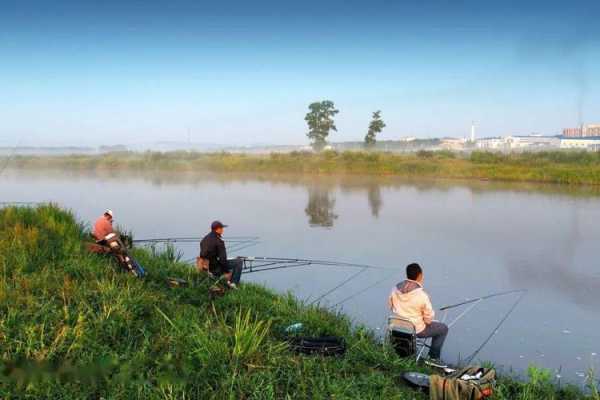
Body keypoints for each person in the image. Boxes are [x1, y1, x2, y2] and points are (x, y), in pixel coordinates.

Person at [388, 262, 448, 364]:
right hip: (415, 330)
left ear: (407, 274)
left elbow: (391, 306)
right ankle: (433, 359)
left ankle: (401, 351)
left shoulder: (394, 289)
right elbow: (428, 320)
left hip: (396, 326)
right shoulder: (422, 295)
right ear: (420, 276)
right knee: (443, 329)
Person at [199, 221, 243, 289]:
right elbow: (223, 260)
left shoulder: (204, 239)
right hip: (215, 269)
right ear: (218, 229)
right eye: (222, 228)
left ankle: (228, 282)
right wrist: (226, 271)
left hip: (206, 267)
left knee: (227, 264)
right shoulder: (219, 242)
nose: (223, 230)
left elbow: (203, 254)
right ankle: (233, 284)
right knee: (239, 261)